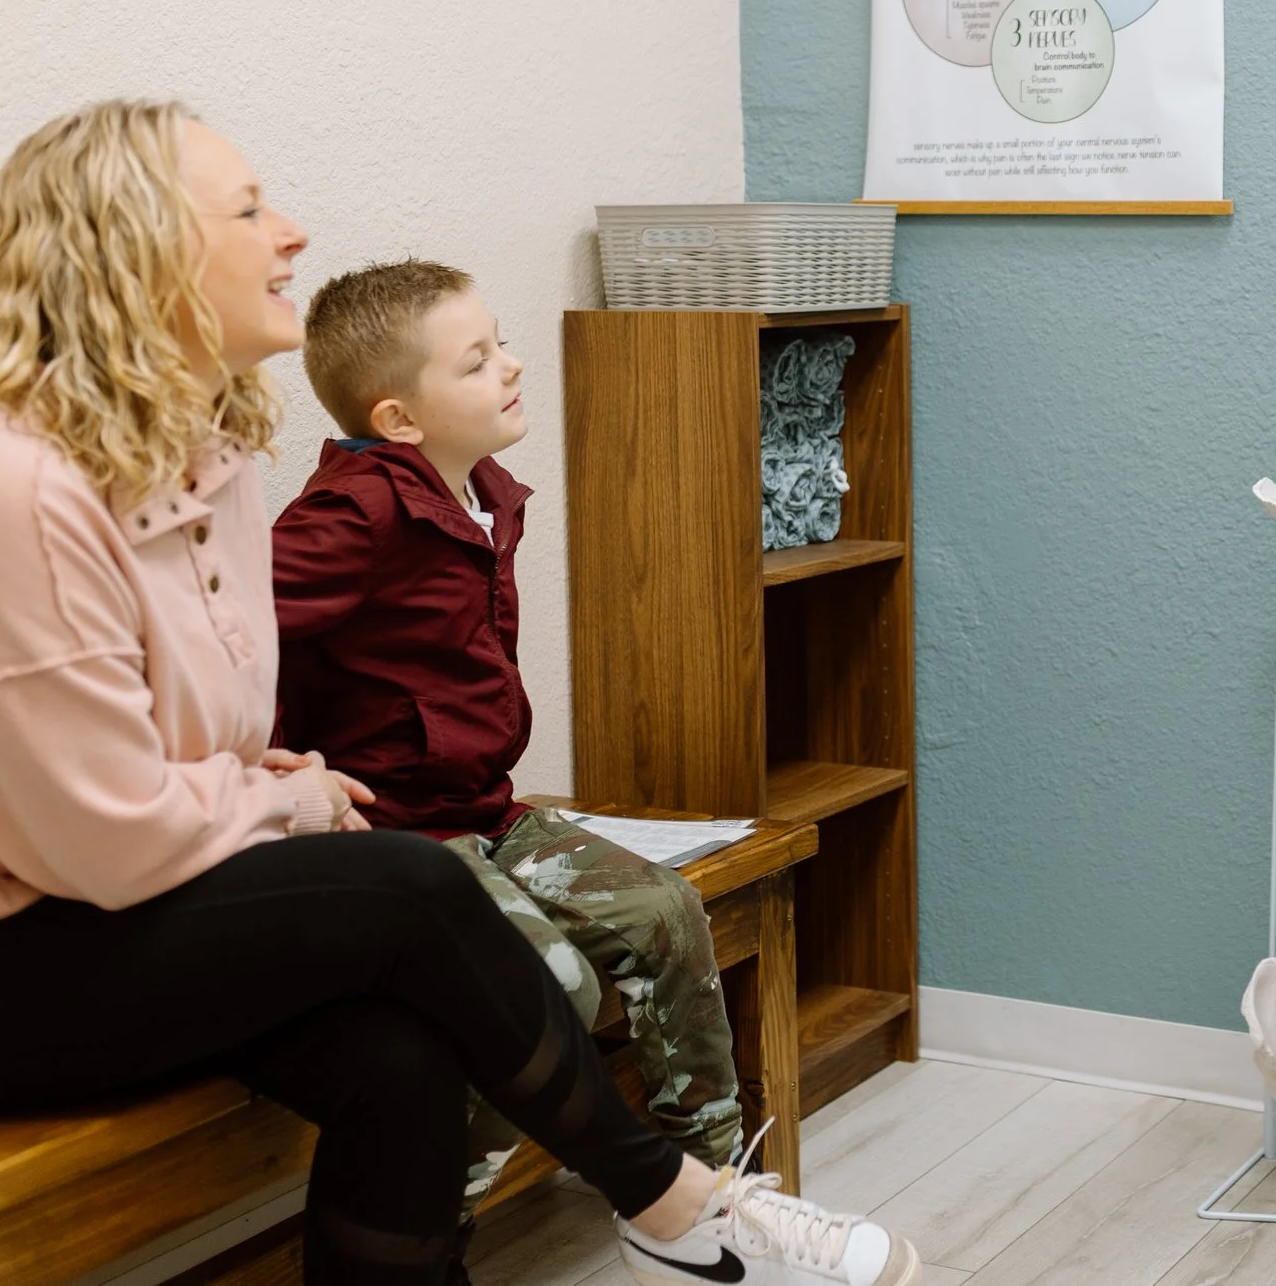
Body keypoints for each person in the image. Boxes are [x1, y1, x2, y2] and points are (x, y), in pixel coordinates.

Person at [0, 101, 918, 1286]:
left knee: (401, 1052)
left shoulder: (195, 462)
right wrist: (289, 801)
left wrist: (252, 776)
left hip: (82, 908)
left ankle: (672, 1217)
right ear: (137, 248)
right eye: (251, 209)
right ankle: (678, 1208)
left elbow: (166, 744)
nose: (292, 233)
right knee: (408, 882)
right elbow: (106, 840)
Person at [268, 258, 905, 1284]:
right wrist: (291, 774)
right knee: (537, 982)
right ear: (398, 416)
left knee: (664, 909)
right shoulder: (353, 512)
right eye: (477, 360)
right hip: (401, 835)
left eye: (499, 340)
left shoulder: (477, 489)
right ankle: (427, 1234)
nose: (511, 364)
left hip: (485, 805)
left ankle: (700, 1204)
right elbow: (237, 634)